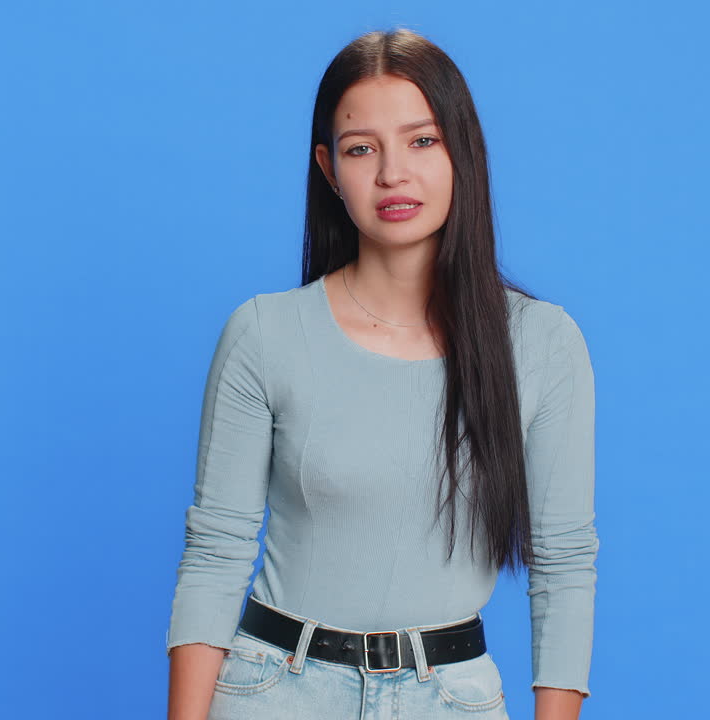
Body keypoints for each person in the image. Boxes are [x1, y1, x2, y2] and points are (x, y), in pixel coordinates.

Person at [165, 27, 598, 720]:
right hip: (277, 691)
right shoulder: (265, 333)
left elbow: (565, 566)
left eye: (422, 141)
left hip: (452, 699)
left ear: (464, 151)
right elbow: (216, 554)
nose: (393, 173)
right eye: (361, 149)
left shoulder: (542, 345)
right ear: (328, 168)